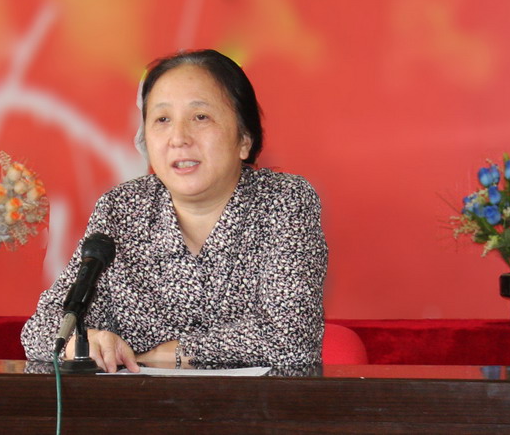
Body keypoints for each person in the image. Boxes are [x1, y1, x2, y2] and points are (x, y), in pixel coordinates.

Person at [21, 49, 328, 372]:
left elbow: (293, 339)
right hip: (137, 403)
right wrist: (83, 341)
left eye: (200, 117)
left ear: (244, 140)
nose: (179, 138)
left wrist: (178, 353)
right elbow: (41, 329)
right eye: (162, 120)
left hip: (255, 404)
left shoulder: (283, 201)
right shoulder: (122, 208)